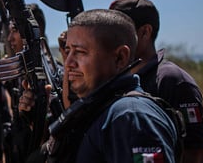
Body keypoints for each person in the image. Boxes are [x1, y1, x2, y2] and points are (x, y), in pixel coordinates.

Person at [20, 9, 179, 162]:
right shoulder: (97, 110)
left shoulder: (132, 117)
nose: (68, 63)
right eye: (68, 51)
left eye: (80, 52)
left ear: (120, 58)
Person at [110, 0, 203, 163]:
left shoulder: (173, 81)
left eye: (119, 32)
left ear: (145, 32)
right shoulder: (118, 78)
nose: (110, 40)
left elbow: (195, 154)